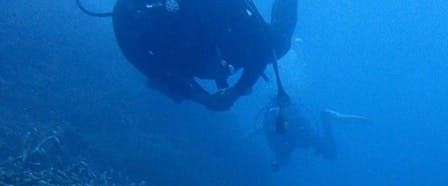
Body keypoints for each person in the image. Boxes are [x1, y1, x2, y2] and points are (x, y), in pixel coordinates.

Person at [78, 0, 297, 111]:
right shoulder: (126, 17)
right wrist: (203, 99)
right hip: (198, 65)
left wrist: (237, 91)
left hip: (232, 46)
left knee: (279, 42)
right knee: (276, 43)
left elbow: (262, 45)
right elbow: (155, 73)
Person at [259, 101, 370, 170]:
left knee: (331, 153)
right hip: (299, 129)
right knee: (331, 153)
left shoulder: (280, 143)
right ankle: (326, 116)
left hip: (298, 128)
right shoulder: (280, 144)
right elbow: (266, 128)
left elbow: (282, 127)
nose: (288, 156)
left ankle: (325, 116)